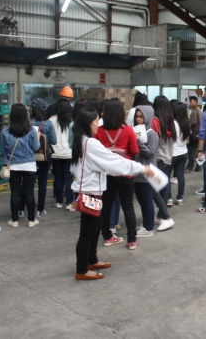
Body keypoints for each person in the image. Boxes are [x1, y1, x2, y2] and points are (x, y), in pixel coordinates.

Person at [70, 108, 153, 280]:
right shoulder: (90, 143)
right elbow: (113, 162)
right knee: (88, 232)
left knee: (96, 227)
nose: (98, 124)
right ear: (88, 123)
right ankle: (82, 270)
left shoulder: (82, 141)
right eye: (95, 121)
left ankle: (91, 260)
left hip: (89, 190)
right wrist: (140, 167)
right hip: (90, 192)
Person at [94, 99, 139, 249]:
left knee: (106, 206)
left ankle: (107, 236)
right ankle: (131, 240)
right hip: (125, 173)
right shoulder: (128, 130)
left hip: (107, 174)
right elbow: (135, 151)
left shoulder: (99, 131)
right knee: (128, 207)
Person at [132, 105, 174, 236]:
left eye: (141, 117)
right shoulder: (135, 131)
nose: (138, 119)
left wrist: (138, 142)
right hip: (137, 173)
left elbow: (150, 153)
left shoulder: (152, 134)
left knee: (147, 201)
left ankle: (148, 227)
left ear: (147, 117)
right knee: (141, 200)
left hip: (148, 172)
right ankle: (146, 223)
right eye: (137, 117)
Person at [2, 104, 41, 228]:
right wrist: (38, 138)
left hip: (13, 166)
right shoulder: (31, 130)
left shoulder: (5, 131)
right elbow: (36, 147)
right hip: (29, 165)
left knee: (15, 192)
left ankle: (14, 220)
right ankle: (31, 220)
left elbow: (2, 152)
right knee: (29, 192)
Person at [27, 98, 57, 217]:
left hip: (30, 155)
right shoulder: (48, 123)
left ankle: (23, 208)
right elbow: (54, 141)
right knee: (42, 182)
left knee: (28, 183)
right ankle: (40, 209)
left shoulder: (28, 122)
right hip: (45, 155)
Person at [50, 98, 75, 211]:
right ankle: (69, 202)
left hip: (55, 154)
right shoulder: (72, 121)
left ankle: (59, 201)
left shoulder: (52, 120)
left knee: (58, 178)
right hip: (69, 153)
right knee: (68, 178)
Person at [152, 96, 177, 207]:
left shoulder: (156, 122)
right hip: (167, 158)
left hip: (158, 159)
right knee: (162, 186)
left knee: (152, 188)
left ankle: (163, 212)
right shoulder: (171, 122)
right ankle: (163, 211)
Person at [171, 102, 190, 206]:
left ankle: (168, 198)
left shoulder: (173, 123)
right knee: (180, 176)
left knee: (167, 175)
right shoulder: (186, 123)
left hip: (173, 153)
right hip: (183, 152)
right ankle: (179, 198)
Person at [186, 96, 202, 173]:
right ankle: (199, 167)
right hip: (200, 133)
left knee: (191, 151)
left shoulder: (194, 111)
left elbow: (193, 122)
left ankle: (190, 167)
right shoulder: (199, 110)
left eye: (191, 101)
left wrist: (189, 121)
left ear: (195, 102)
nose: (189, 103)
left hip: (195, 133)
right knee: (199, 151)